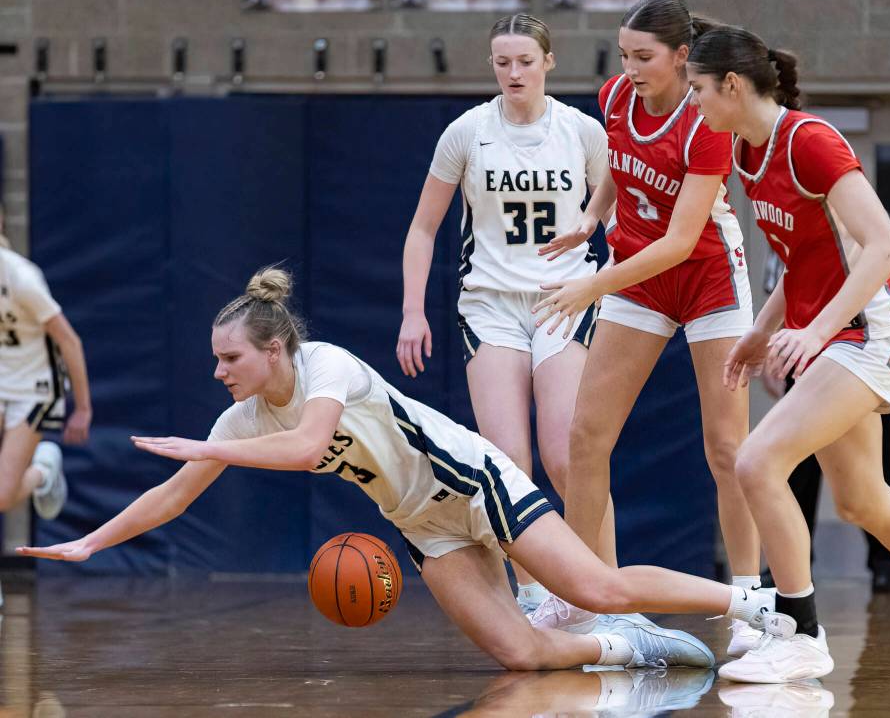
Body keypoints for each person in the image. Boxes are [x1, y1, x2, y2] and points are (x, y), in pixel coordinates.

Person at [18, 267, 775, 672]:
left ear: (274, 349)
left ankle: (757, 606)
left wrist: (212, 448)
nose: (219, 371)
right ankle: (622, 647)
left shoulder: (328, 367)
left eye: (230, 357)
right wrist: (91, 541)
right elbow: (171, 496)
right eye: (217, 359)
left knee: (596, 585)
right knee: (520, 653)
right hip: (421, 523)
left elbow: (311, 447)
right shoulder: (243, 418)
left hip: (471, 482)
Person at [685, 25, 890, 682]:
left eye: (697, 90)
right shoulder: (747, 154)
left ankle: (799, 629)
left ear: (733, 86)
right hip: (826, 332)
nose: (694, 104)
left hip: (869, 330)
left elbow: (884, 247)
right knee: (859, 498)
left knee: (756, 460)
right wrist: (764, 326)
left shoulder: (811, 142)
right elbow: (800, 258)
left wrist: (814, 329)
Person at [530, 0, 762, 656]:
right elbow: (617, 164)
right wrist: (589, 216)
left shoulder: (705, 122)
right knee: (585, 437)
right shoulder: (615, 97)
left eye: (644, 57)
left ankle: (748, 599)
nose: (629, 67)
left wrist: (591, 282)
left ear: (683, 57)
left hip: (707, 276)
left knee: (727, 450)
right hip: (637, 273)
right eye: (624, 54)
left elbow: (683, 241)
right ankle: (578, 592)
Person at [397, 13, 617, 614]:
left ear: (548, 62)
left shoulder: (581, 131)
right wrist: (413, 311)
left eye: (524, 61)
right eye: (502, 62)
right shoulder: (467, 132)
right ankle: (537, 595)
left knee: (568, 456)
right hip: (490, 305)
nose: (513, 72)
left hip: (563, 300)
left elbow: (615, 216)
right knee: (507, 463)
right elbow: (422, 229)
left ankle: (609, 590)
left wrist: (611, 280)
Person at [761, 249, 890, 594]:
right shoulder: (786, 215)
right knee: (794, 467)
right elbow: (784, 283)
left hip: (857, 354)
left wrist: (823, 331)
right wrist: (769, 341)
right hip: (804, 353)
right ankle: (792, 570)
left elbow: (885, 264)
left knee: (871, 478)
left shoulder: (857, 218)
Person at [0, 226, 92, 605]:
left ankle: (44, 470)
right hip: (3, 378)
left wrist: (82, 407)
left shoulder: (21, 277)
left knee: (3, 497)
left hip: (36, 391)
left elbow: (70, 340)